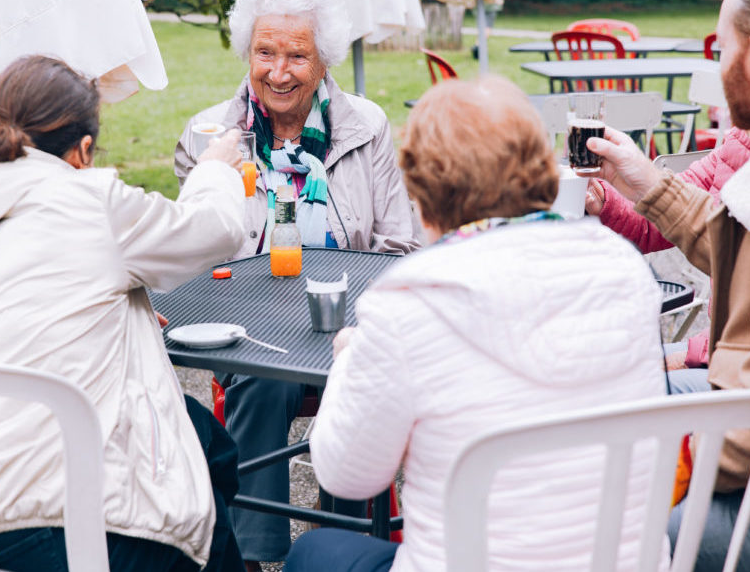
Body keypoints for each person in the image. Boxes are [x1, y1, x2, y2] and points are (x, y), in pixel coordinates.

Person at [0, 55, 247, 572]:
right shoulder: (90, 201)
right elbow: (215, 227)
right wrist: (215, 170)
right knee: (194, 484)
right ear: (83, 151)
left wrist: (118, 315)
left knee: (204, 442)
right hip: (67, 532)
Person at [285, 75, 669, 572]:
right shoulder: (624, 269)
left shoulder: (408, 302)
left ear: (422, 188)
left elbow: (346, 475)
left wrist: (347, 362)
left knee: (316, 552)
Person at [174, 0, 420, 569]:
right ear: (246, 52)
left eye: (296, 56)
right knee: (258, 380)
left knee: (359, 373)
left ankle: (352, 545)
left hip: (349, 323)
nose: (278, 72)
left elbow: (400, 247)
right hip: (255, 329)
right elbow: (192, 261)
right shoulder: (210, 139)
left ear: (324, 61)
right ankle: (255, 555)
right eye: (264, 52)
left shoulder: (366, 127)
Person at [588, 0, 750, 570]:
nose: (721, 65)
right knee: (611, 406)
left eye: (723, 49)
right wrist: (647, 183)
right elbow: (741, 252)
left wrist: (664, 467)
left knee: (606, 524)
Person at [585, 125, 750, 394]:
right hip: (723, 345)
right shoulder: (745, 142)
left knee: (604, 392)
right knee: (594, 373)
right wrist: (603, 200)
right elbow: (661, 219)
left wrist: (687, 357)